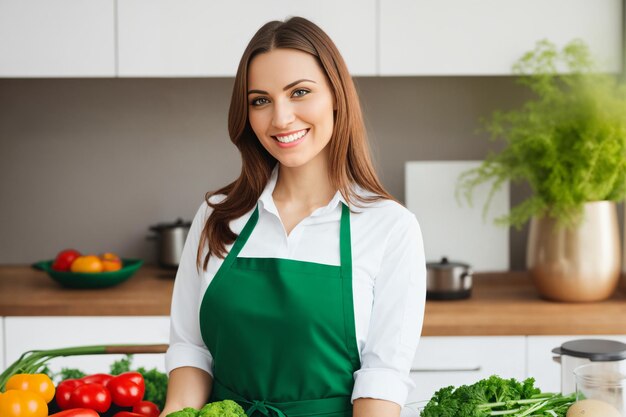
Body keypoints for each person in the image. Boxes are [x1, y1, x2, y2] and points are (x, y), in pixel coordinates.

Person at [160, 16, 426, 417]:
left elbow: (382, 378)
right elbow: (191, 349)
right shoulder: (218, 216)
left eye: (299, 92)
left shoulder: (389, 226)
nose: (280, 118)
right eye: (260, 100)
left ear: (336, 96)